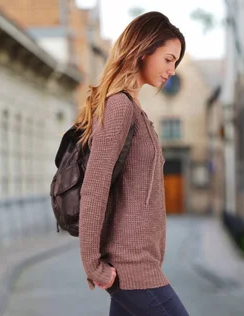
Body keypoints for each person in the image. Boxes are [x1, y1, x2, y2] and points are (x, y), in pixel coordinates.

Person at [74, 11, 189, 316]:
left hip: (140, 263)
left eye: (176, 62)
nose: (172, 70)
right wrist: (92, 263)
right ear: (144, 50)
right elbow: (95, 186)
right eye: (168, 59)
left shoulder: (133, 109)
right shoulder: (119, 106)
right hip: (132, 267)